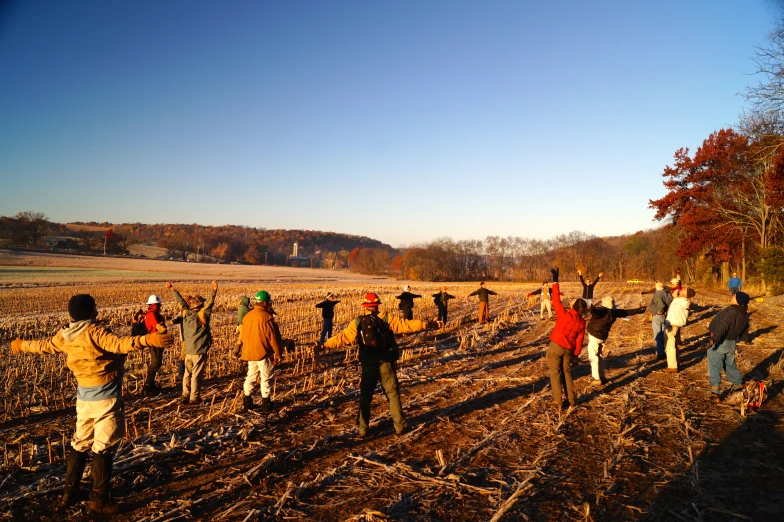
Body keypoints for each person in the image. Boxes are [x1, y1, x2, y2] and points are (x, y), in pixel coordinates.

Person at [10, 294, 173, 516]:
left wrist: (21, 345)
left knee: (80, 444)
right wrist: (147, 340)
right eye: (94, 307)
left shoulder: (65, 334)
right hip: (106, 399)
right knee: (103, 448)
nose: (97, 310)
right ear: (89, 312)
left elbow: (43, 345)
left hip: (84, 399)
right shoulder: (95, 331)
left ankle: (69, 493)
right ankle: (98, 501)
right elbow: (119, 344)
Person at [320, 292, 433, 437]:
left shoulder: (358, 322)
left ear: (365, 306)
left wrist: (324, 345)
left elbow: (342, 338)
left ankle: (362, 429)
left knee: (365, 396)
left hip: (368, 364)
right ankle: (399, 427)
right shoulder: (386, 318)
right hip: (386, 363)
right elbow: (406, 325)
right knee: (392, 394)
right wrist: (426, 324)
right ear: (377, 305)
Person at [167, 280, 217, 404]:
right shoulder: (202, 315)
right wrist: (214, 291)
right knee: (196, 375)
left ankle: (185, 395)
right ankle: (194, 397)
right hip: (199, 350)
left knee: (187, 374)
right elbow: (209, 304)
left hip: (188, 350)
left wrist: (172, 289)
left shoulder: (186, 313)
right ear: (199, 305)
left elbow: (181, 302)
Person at [546, 268, 587, 410]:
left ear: (573, 306)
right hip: (569, 350)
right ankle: (572, 399)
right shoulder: (582, 322)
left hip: (556, 346)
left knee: (555, 373)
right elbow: (579, 340)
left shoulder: (565, 315)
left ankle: (557, 400)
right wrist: (576, 355)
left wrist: (555, 281)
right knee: (567, 373)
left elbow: (555, 300)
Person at [238, 291, 283, 413]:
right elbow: (272, 338)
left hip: (249, 353)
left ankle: (247, 401)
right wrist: (278, 353)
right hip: (262, 353)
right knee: (266, 378)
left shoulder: (247, 316)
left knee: (251, 376)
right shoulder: (266, 317)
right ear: (264, 303)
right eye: (269, 302)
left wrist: (238, 347)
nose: (270, 304)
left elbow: (242, 335)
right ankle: (266, 404)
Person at [586, 296, 646, 384]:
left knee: (593, 357)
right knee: (599, 356)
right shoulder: (614, 312)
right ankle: (602, 376)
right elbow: (626, 312)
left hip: (594, 336)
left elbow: (595, 312)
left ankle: (596, 378)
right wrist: (638, 310)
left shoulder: (602, 311)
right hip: (602, 337)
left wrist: (590, 306)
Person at [707, 291, 750, 400]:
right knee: (729, 364)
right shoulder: (744, 313)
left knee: (714, 363)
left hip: (721, 341)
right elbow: (745, 328)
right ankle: (737, 385)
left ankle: (714, 391)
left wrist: (714, 339)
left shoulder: (730, 311)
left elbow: (722, 326)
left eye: (734, 296)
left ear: (738, 301)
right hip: (731, 342)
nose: (732, 296)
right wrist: (746, 339)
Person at [663, 287, 695, 373]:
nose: (680, 290)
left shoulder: (684, 301)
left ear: (686, 294)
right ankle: (676, 364)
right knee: (674, 346)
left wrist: (688, 303)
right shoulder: (678, 300)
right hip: (674, 324)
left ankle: (672, 367)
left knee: (670, 346)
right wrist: (674, 296)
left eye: (683, 290)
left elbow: (686, 304)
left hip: (672, 325)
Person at [141, 294, 167, 396]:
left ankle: (151, 385)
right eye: (158, 304)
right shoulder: (152, 315)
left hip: (156, 341)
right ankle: (147, 388)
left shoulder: (151, 313)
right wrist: (162, 329)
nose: (159, 306)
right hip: (154, 341)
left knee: (157, 363)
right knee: (156, 363)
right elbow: (156, 326)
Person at [648, 282, 673, 360]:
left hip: (657, 316)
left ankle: (660, 354)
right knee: (663, 336)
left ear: (657, 287)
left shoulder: (657, 294)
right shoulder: (668, 294)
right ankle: (665, 351)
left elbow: (661, 305)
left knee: (658, 336)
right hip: (665, 316)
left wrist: (659, 311)